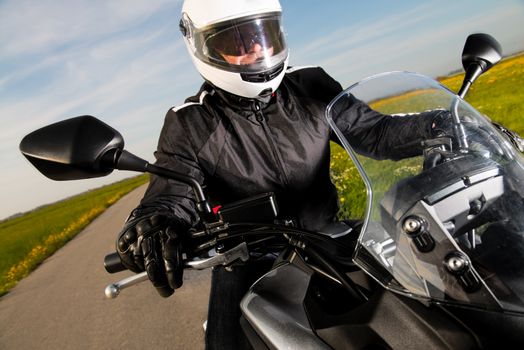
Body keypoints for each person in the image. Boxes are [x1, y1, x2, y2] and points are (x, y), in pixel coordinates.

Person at [116, 0, 444, 348]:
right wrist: (153, 225)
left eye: (262, 34)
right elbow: (171, 191)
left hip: (335, 239)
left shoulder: (310, 85)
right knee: (226, 342)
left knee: (427, 314)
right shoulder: (191, 122)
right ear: (203, 47)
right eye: (236, 42)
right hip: (251, 261)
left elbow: (375, 133)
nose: (255, 47)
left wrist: (440, 123)